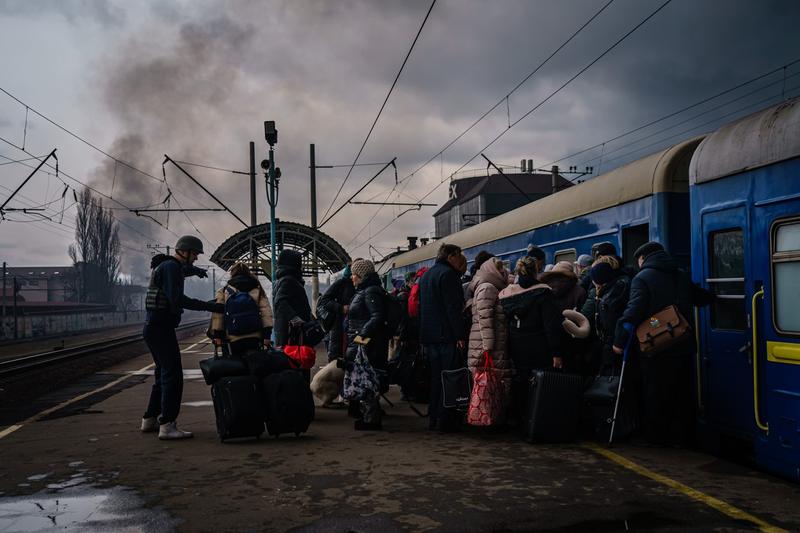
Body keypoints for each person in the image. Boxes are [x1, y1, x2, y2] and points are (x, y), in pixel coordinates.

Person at [612, 241, 713, 446]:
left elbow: (633, 312)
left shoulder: (642, 278)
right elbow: (701, 298)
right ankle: (683, 436)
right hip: (683, 342)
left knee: (656, 392)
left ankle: (657, 437)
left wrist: (619, 341)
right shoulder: (681, 274)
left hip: (655, 346)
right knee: (682, 392)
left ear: (643, 258)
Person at [141, 235, 224, 440]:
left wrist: (195, 271)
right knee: (173, 376)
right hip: (161, 329)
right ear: (184, 252)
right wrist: (210, 306)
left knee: (162, 374)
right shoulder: (171, 268)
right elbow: (178, 299)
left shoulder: (168, 266)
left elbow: (181, 271)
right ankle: (168, 424)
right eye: (194, 254)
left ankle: (150, 418)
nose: (196, 258)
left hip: (154, 328)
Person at [499, 256, 563, 426]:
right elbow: (551, 325)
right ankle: (537, 420)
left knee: (520, 380)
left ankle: (520, 419)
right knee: (539, 383)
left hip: (516, 344)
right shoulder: (543, 292)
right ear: (536, 270)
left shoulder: (507, 294)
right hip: (538, 345)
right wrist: (556, 352)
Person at [418, 243, 467, 432]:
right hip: (446, 337)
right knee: (449, 379)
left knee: (436, 379)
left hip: (429, 337)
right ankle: (444, 421)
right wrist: (460, 335)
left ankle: (433, 419)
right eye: (458, 255)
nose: (460, 259)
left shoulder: (426, 276)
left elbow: (422, 310)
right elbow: (452, 309)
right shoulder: (449, 276)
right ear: (450, 256)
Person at [344, 259, 389, 430]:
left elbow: (376, 316)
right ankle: (369, 416)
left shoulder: (370, 292)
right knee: (365, 379)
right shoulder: (365, 291)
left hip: (366, 343)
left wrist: (360, 338)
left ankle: (371, 420)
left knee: (367, 379)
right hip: (363, 341)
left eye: (354, 274)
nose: (352, 278)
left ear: (362, 275)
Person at [467, 257, 511, 423]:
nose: (503, 272)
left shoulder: (490, 286)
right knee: (490, 383)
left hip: (490, 343)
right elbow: (485, 320)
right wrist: (488, 347)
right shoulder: (487, 287)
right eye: (499, 269)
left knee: (492, 383)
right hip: (487, 345)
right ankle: (487, 418)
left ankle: (490, 417)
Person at [209, 263, 273, 358]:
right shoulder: (258, 290)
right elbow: (266, 313)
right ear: (248, 273)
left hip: (232, 337)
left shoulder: (224, 291)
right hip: (255, 336)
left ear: (232, 274)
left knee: (234, 367)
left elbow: (218, 315)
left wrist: (218, 336)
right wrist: (267, 336)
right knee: (255, 366)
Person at [580, 255, 631, 375]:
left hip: (613, 347)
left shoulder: (608, 298)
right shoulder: (624, 284)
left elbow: (610, 326)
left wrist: (611, 347)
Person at [272, 249, 314, 381]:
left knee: (290, 370)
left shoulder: (282, 280)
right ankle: (300, 399)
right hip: (293, 337)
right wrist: (296, 319)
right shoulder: (288, 280)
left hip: (288, 336)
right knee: (297, 369)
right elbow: (280, 302)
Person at [317, 262, 356, 363]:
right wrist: (340, 308)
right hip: (339, 326)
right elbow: (324, 300)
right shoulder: (341, 283)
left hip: (353, 327)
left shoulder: (362, 286)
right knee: (337, 359)